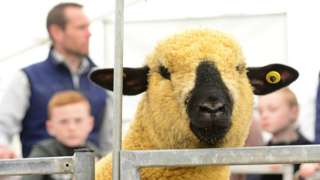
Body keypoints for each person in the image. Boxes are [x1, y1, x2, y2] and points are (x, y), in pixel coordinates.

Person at [0, 2, 112, 158]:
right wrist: (2, 149)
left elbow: (109, 143)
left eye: (88, 27)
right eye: (81, 28)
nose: (89, 33)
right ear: (57, 32)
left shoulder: (103, 80)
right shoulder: (27, 78)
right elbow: (2, 126)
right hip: (41, 173)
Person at [22, 90, 102, 180]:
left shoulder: (96, 154)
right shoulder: (43, 151)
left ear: (90, 124)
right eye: (63, 121)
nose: (72, 128)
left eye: (78, 120)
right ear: (50, 127)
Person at [256, 87, 312, 180]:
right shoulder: (259, 155)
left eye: (272, 109)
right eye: (260, 111)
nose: (264, 115)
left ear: (294, 112)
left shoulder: (311, 151)